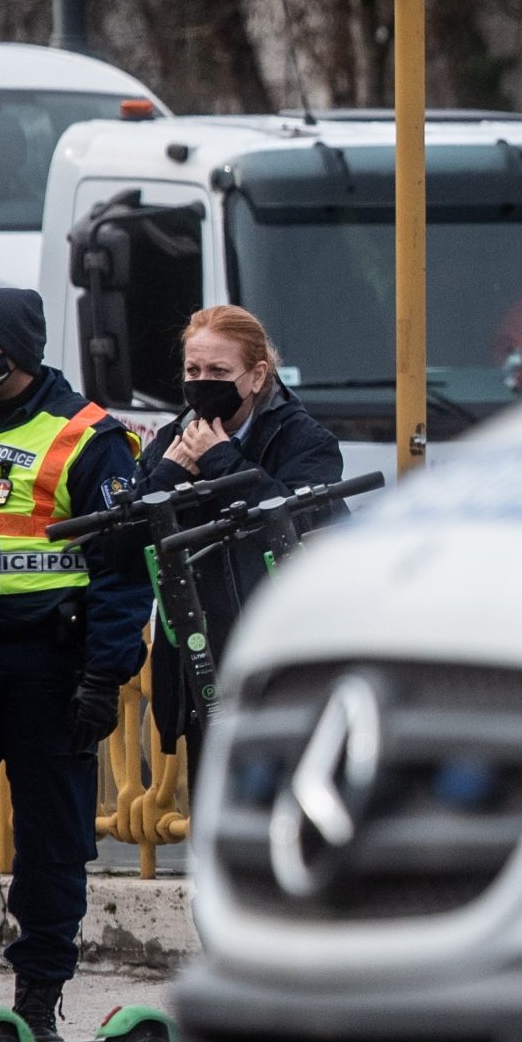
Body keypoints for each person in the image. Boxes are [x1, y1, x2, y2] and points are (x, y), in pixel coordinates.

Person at [0, 284, 148, 1042]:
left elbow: (121, 571)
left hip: (51, 664)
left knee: (52, 842)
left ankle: (38, 1000)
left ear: (19, 352)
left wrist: (104, 676)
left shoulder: (88, 436)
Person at [138, 305, 342, 747]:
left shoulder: (305, 441)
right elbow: (124, 554)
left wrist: (221, 461)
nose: (203, 381)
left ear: (255, 375)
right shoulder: (171, 444)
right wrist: (169, 476)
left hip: (279, 659)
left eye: (219, 370)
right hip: (198, 664)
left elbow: (300, 523)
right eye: (193, 369)